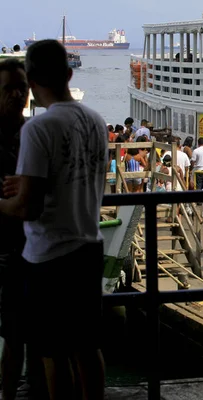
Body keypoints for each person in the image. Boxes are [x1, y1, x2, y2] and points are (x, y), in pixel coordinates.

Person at [0, 39, 106, 400]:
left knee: (52, 355)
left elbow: (27, 208)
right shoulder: (96, 122)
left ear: (30, 80)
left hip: (47, 256)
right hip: (89, 246)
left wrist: (4, 202)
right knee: (88, 349)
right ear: (68, 74)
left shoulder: (37, 130)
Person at [0, 58, 45, 400]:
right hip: (7, 246)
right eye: (9, 89)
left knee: (31, 333)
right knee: (15, 334)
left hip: (34, 246)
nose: (18, 95)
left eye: (23, 88)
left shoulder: (36, 134)